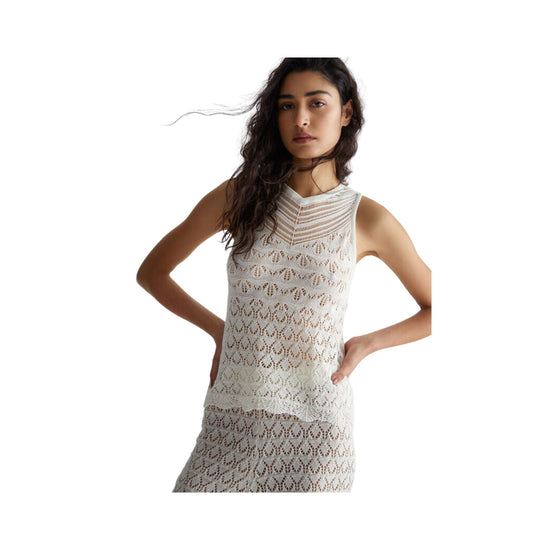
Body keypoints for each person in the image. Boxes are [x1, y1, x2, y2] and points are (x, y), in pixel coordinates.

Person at [136, 57, 431, 492]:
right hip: (230, 420)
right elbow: (153, 272)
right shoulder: (239, 197)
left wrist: (368, 344)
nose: (301, 119)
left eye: (317, 103)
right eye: (287, 106)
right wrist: (221, 332)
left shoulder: (368, 219)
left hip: (318, 430)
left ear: (346, 112)